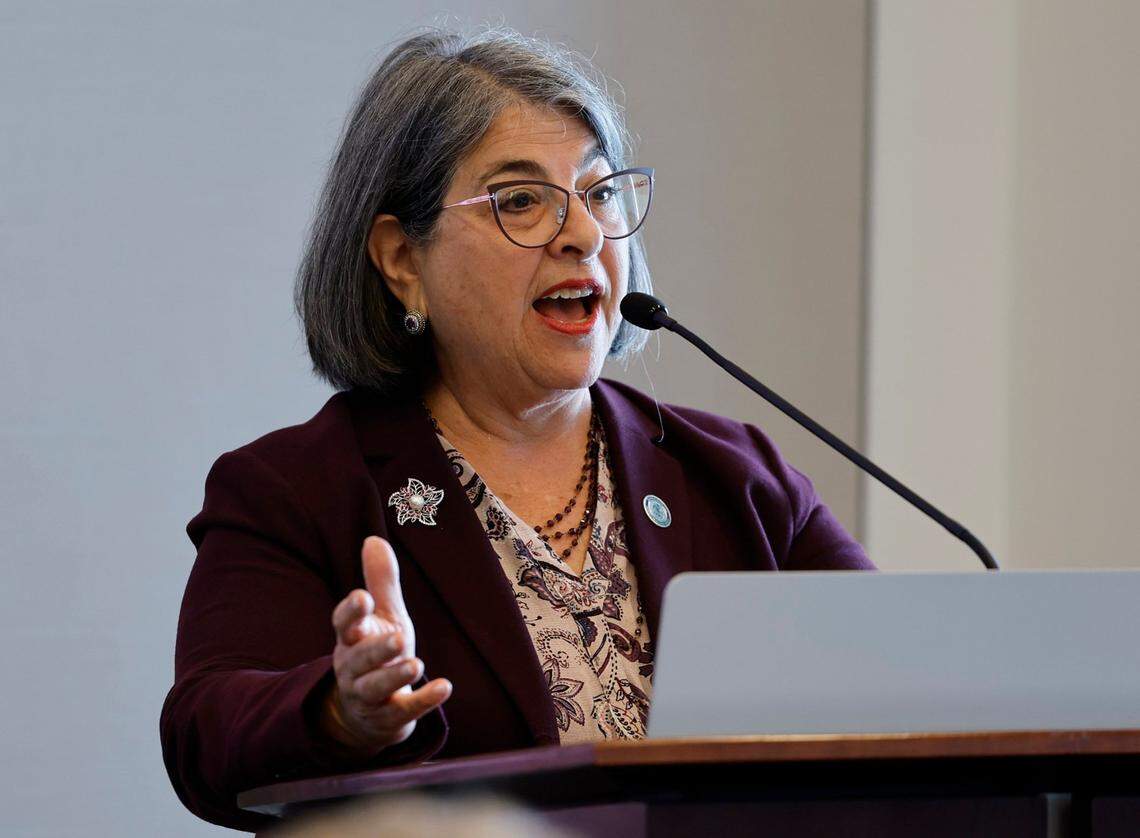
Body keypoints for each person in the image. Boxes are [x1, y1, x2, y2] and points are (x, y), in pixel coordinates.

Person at [160, 27, 873, 832]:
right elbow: (205, 736)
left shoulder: (736, 476)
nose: (582, 236)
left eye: (600, 194)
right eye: (520, 201)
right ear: (402, 259)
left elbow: (896, 687)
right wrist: (342, 711)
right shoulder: (298, 490)